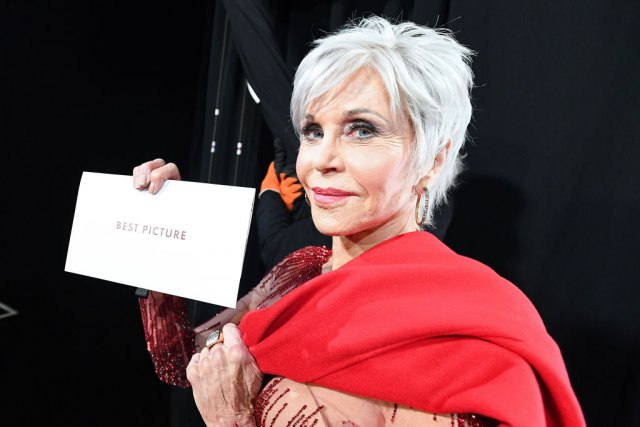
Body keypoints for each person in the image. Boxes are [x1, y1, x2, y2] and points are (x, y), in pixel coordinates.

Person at [133, 16, 585, 426]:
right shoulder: (303, 268)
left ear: (432, 159)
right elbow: (184, 362)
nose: (320, 160)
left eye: (362, 130)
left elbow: (221, 398)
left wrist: (231, 420)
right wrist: (164, 233)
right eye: (313, 131)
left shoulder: (469, 328)